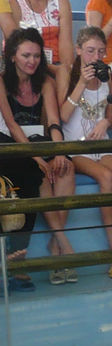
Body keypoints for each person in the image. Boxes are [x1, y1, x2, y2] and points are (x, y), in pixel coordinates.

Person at [58, 27, 112, 279]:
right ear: (79, 50)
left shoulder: (109, 77)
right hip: (76, 146)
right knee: (105, 178)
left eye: (100, 51)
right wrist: (82, 84)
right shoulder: (67, 74)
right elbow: (61, 117)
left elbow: (110, 118)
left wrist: (106, 123)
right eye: (90, 50)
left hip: (101, 145)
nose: (95, 56)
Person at [2, 27, 76, 285]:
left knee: (65, 167)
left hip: (36, 141)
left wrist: (58, 153)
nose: (32, 61)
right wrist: (38, 159)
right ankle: (58, 246)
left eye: (36, 56)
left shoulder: (45, 81)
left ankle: (58, 244)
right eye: (25, 55)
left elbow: (54, 123)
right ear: (12, 56)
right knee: (33, 173)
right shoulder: (1, 81)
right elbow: (11, 125)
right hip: (9, 144)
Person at [0, 76, 44, 292]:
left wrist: (35, 156)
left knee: (30, 172)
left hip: (3, 141)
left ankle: (17, 253)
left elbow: (10, 123)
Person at [8, 0, 74, 67]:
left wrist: (67, 70)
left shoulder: (61, 2)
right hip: (26, 65)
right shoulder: (14, 2)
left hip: (55, 64)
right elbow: (13, 44)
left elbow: (66, 43)